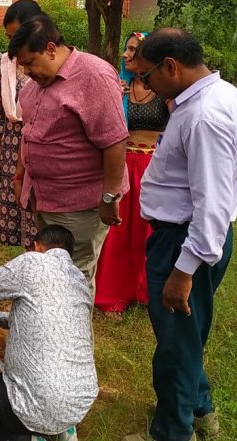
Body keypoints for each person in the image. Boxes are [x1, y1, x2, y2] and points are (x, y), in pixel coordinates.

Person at [123, 28, 237, 441]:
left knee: (175, 348)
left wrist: (184, 270)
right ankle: (200, 409)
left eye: (147, 76)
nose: (142, 85)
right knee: (184, 336)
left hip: (185, 242)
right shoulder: (222, 95)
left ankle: (173, 432)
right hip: (185, 238)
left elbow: (212, 202)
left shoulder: (203, 116)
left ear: (171, 67)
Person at [0, 225, 96, 441]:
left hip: (39, 400)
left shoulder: (33, 261)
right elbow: (47, 319)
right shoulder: (79, 279)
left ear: (36, 247)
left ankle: (25, 436)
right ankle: (59, 429)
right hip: (79, 401)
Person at [9, 15, 129, 296]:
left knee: (74, 278)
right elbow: (28, 133)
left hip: (80, 204)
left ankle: (72, 339)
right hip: (44, 197)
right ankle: (49, 337)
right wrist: (21, 173)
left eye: (29, 63)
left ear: (51, 49)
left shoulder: (93, 76)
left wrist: (109, 197)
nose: (27, 71)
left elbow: (114, 141)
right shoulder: (34, 86)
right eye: (22, 66)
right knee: (48, 274)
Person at [94, 32, 171, 316]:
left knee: (150, 229)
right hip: (124, 164)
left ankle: (149, 290)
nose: (126, 55)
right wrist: (116, 97)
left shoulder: (165, 90)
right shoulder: (120, 87)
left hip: (154, 165)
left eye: (133, 50)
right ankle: (115, 292)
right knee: (120, 231)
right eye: (126, 49)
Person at [0, 0, 42, 249]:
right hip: (12, 147)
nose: (12, 44)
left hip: (38, 146)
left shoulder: (47, 64)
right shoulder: (5, 63)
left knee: (38, 217)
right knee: (18, 213)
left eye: (16, 36)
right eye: (9, 37)